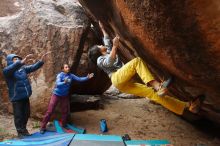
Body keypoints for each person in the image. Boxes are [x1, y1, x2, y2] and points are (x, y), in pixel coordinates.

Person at [88, 21, 204, 116]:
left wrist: (102, 28)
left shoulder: (107, 51)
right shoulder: (100, 60)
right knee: (137, 61)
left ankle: (188, 106)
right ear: (98, 51)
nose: (101, 45)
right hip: (117, 78)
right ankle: (157, 85)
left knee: (153, 94)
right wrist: (115, 46)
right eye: (99, 46)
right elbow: (110, 61)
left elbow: (106, 40)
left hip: (124, 84)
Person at [3, 52, 50, 138]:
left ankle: (24, 130)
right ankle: (20, 132)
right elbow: (11, 68)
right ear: (10, 61)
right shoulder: (7, 71)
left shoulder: (22, 69)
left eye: (18, 59)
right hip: (16, 98)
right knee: (19, 116)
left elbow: (32, 67)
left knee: (26, 114)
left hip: (25, 96)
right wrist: (20, 62)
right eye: (14, 59)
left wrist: (41, 61)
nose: (17, 60)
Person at [40, 64, 94, 134]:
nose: (68, 68)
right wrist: (64, 82)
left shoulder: (71, 75)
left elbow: (79, 79)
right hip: (56, 95)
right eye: (66, 67)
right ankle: (42, 127)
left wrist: (87, 77)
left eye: (68, 67)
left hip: (64, 96)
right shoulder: (60, 75)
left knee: (65, 111)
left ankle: (63, 124)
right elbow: (58, 83)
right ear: (62, 69)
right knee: (50, 111)